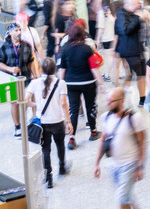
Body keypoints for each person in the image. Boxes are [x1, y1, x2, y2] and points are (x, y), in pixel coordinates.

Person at [93, 88, 148, 209]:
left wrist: (140, 165)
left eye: (112, 101)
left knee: (122, 198)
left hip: (130, 164)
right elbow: (103, 141)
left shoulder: (134, 118)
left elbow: (142, 142)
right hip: (113, 165)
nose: (108, 104)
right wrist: (97, 163)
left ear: (121, 101)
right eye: (108, 101)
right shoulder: (106, 117)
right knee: (126, 194)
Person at [25, 57, 70, 188]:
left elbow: (24, 101)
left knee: (46, 150)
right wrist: (69, 122)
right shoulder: (61, 83)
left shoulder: (34, 83)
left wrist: (35, 105)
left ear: (41, 69)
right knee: (60, 145)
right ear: (54, 69)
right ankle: (62, 167)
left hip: (42, 123)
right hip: (58, 121)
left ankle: (48, 178)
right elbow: (63, 103)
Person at [56, 23, 103, 148]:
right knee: (90, 107)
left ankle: (72, 138)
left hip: (71, 84)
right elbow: (94, 68)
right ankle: (93, 132)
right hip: (88, 82)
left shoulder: (65, 49)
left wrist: (61, 86)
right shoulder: (87, 49)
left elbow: (62, 70)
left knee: (73, 110)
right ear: (83, 34)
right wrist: (101, 82)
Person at [0, 22, 37, 138]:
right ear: (10, 33)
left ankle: (30, 124)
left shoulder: (26, 45)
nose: (19, 32)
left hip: (26, 78)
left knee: (28, 101)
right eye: (16, 30)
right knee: (14, 103)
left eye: (20, 30)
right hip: (10, 79)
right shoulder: (4, 47)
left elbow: (31, 61)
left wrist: (35, 74)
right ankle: (17, 127)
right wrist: (10, 69)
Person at [115, 0, 147, 107]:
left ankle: (143, 99)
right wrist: (138, 18)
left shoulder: (134, 14)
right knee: (130, 76)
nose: (140, 5)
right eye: (137, 3)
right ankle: (118, 99)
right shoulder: (121, 14)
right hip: (129, 51)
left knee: (142, 75)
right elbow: (126, 30)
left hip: (138, 49)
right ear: (130, 4)